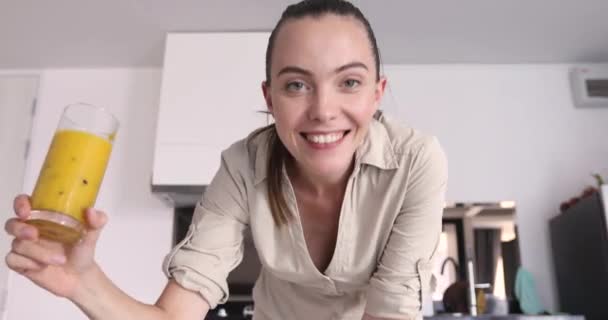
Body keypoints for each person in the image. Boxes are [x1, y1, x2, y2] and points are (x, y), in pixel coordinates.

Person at [5, 0, 448, 319]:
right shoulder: (243, 167)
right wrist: (81, 281)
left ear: (377, 94)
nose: (324, 110)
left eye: (349, 82)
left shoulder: (415, 162)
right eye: (296, 85)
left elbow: (390, 314)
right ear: (269, 98)